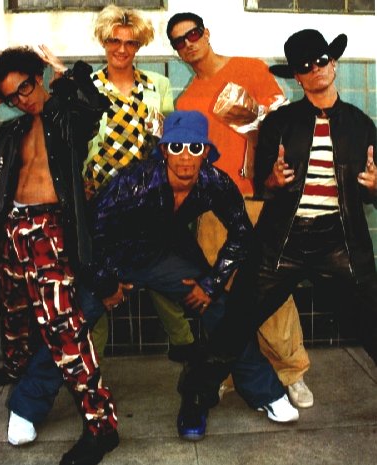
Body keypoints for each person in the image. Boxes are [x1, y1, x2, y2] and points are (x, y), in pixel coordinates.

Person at [91, 110, 299, 441]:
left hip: (165, 258)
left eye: (194, 147)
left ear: (206, 152)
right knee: (71, 318)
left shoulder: (214, 182)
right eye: (177, 147)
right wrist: (105, 283)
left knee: (222, 311)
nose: (185, 156)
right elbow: (94, 230)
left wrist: (211, 283)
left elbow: (242, 233)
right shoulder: (134, 181)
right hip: (116, 260)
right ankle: (28, 406)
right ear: (163, 150)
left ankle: (266, 392)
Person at [0, 45, 119, 465]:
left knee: (63, 329)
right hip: (12, 228)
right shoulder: (13, 130)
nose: (22, 99)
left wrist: (67, 75)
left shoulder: (65, 118)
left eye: (25, 87)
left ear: (38, 78)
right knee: (13, 307)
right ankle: (17, 368)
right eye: (11, 96)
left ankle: (102, 425)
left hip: (48, 231)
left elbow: (95, 109)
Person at [166, 11, 313, 408]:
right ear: (176, 51)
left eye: (193, 34)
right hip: (213, 210)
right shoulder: (187, 100)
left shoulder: (249, 68)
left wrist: (256, 119)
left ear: (206, 33)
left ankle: (292, 371)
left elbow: (288, 124)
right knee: (221, 296)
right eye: (179, 41)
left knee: (272, 291)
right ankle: (226, 370)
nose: (188, 43)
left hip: (257, 200)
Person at [210, 29, 377, 373]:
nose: (315, 69)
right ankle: (199, 391)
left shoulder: (360, 125)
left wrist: (375, 187)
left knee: (371, 321)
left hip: (340, 242)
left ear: (333, 64)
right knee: (236, 322)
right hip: (281, 242)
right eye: (305, 66)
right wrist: (272, 181)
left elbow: (366, 193)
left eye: (321, 61)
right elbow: (262, 186)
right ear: (297, 78)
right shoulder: (279, 123)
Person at [86, 3, 198, 363]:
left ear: (139, 46)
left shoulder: (157, 85)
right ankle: (91, 364)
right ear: (104, 42)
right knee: (98, 282)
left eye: (130, 43)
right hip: (100, 199)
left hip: (148, 197)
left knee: (161, 274)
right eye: (114, 41)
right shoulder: (89, 88)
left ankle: (184, 347)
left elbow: (169, 141)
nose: (122, 49)